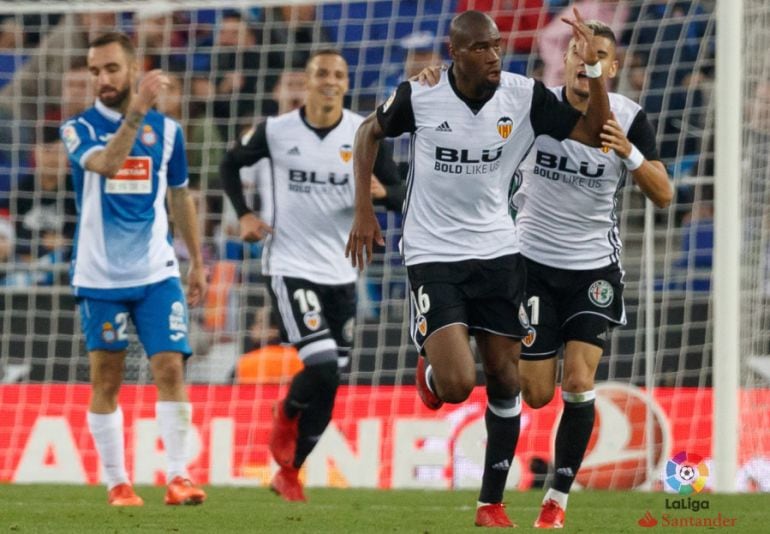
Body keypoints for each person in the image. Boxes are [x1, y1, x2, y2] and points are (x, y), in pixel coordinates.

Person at [347, 9, 610, 528]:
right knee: (456, 383)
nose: (495, 56)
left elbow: (597, 130)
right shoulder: (419, 96)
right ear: (456, 54)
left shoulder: (523, 94)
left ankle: (491, 504)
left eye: (497, 46)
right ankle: (429, 369)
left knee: (505, 378)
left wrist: (595, 73)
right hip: (432, 251)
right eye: (483, 48)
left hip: (498, 251)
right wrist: (363, 210)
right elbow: (365, 133)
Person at [220, 49, 403, 503]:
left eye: (339, 74)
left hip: (343, 273)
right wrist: (244, 215)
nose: (330, 80)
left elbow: (401, 191)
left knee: (331, 381)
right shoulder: (276, 131)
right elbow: (229, 164)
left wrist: (384, 194)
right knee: (320, 364)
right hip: (289, 266)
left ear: (345, 82)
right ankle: (284, 416)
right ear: (307, 80)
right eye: (321, 72)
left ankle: (290, 471)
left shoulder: (364, 133)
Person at [510, 21, 672, 528]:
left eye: (599, 54)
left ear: (614, 66)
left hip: (593, 271)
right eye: (580, 53)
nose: (588, 63)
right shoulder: (535, 106)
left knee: (579, 380)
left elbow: (664, 193)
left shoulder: (628, 117)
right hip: (532, 264)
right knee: (536, 393)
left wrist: (629, 151)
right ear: (566, 60)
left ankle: (556, 499)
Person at [59, 32, 207, 507]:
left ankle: (179, 476)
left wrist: (198, 262)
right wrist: (139, 109)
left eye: (111, 69)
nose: (101, 79)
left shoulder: (169, 132)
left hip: (156, 272)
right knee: (107, 379)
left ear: (132, 68)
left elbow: (180, 194)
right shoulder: (77, 129)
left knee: (170, 368)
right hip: (99, 277)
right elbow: (107, 164)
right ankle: (117, 482)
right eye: (94, 70)